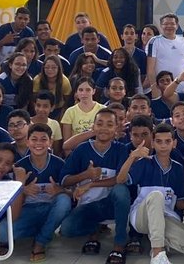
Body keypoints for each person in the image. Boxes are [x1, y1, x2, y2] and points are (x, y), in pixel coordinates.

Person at [119, 122, 184, 264]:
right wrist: (132, 157)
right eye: (159, 141)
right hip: (141, 218)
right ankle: (158, 253)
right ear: (153, 143)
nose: (163, 145)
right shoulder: (144, 163)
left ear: (174, 143)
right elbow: (120, 180)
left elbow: (179, 202)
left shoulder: (178, 168)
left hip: (165, 217)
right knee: (156, 195)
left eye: (167, 141)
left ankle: (158, 242)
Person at [59, 108, 132, 262]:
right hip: (88, 206)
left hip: (110, 205)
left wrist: (91, 184)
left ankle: (119, 244)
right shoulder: (82, 149)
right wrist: (85, 175)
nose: (104, 128)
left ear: (116, 128)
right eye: (100, 123)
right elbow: (64, 180)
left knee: (121, 190)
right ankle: (95, 229)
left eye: (109, 124)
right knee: (66, 229)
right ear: (93, 127)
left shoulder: (121, 149)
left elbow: (120, 179)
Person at [11, 123, 72, 262]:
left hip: (51, 209)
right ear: (27, 142)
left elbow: (73, 193)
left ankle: (41, 241)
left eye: (43, 139)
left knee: (64, 200)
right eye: (34, 139)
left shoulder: (60, 164)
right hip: (28, 210)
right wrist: (22, 190)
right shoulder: (20, 166)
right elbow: (11, 200)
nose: (38, 143)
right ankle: (44, 228)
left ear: (50, 142)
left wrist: (60, 190)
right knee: (2, 233)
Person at [147, 14, 184, 93]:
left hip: (182, 89)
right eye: (166, 24)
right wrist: (154, 88)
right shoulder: (154, 41)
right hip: (162, 89)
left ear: (177, 26)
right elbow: (150, 69)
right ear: (161, 26)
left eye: (172, 24)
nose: (169, 26)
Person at [61, 77, 105, 142]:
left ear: (94, 91)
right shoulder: (70, 112)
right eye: (80, 90)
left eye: (88, 90)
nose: (84, 93)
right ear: (76, 92)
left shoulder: (103, 109)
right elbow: (67, 142)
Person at [32, 91, 63, 156]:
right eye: (38, 105)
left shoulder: (55, 124)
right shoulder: (27, 123)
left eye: (45, 106)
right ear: (34, 106)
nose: (41, 109)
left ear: (52, 108)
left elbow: (56, 150)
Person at [120, 24, 149, 92]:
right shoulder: (117, 53)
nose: (129, 36)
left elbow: (143, 75)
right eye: (126, 33)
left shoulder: (142, 54)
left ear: (136, 36)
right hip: (120, 87)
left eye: (132, 33)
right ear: (122, 36)